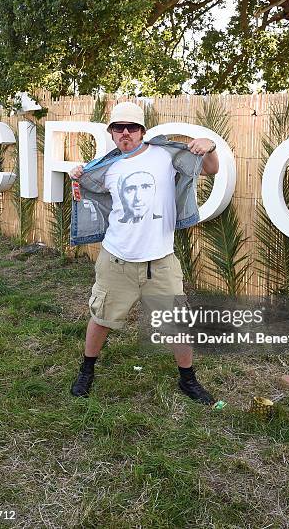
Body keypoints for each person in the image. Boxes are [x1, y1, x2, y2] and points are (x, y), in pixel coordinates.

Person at [69, 101, 219, 404]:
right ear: (111, 133)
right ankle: (87, 370)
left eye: (132, 127)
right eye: (119, 128)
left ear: (142, 132)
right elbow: (85, 188)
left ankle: (188, 380)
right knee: (101, 317)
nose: (125, 133)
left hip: (160, 261)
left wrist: (210, 145)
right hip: (116, 260)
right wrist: (77, 174)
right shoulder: (106, 168)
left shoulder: (164, 156)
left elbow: (211, 168)